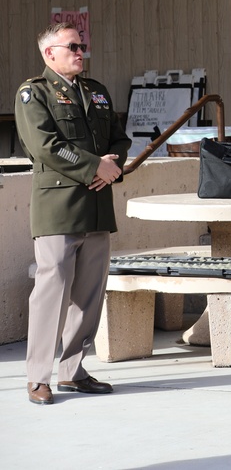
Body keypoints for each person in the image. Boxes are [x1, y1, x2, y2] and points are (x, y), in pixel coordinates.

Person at [15, 22, 131, 406]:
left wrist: (113, 164)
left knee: (89, 294)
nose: (81, 52)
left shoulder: (96, 91)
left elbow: (119, 137)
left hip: (97, 207)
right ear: (50, 53)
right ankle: (38, 377)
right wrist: (96, 166)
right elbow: (45, 145)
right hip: (59, 208)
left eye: (82, 46)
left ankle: (73, 371)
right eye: (73, 46)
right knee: (52, 292)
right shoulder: (35, 93)